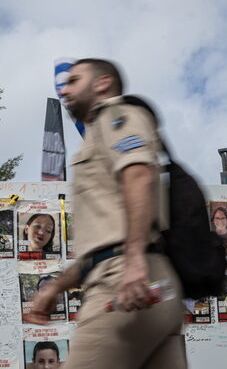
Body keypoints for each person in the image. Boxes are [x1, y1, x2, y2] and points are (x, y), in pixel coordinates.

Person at [28, 58, 186, 368]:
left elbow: (139, 174)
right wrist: (56, 287)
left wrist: (135, 262)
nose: (65, 89)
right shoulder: (99, 134)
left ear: (102, 83)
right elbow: (98, 247)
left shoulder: (116, 115)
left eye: (74, 80)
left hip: (125, 284)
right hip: (150, 288)